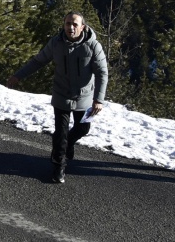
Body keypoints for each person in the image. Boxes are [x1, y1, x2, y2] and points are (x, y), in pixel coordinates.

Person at [9, 12, 109, 183]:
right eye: (68, 23)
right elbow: (38, 61)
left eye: (75, 24)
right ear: (64, 25)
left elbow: (102, 73)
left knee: (83, 128)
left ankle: (67, 144)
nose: (71, 27)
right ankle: (58, 166)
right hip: (61, 94)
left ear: (82, 27)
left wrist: (98, 99)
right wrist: (18, 76)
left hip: (84, 96)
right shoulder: (56, 43)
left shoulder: (93, 46)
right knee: (60, 133)